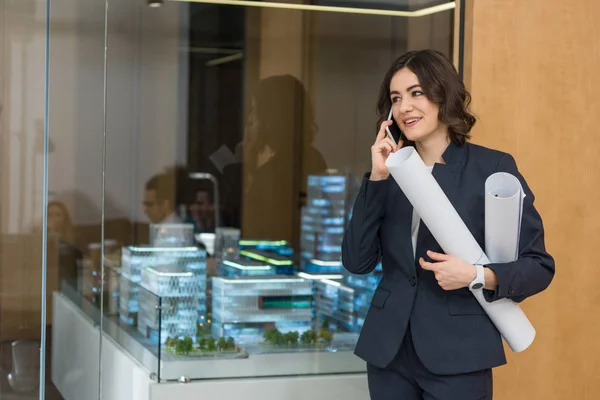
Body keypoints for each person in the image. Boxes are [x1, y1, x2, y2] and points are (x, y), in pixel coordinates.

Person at [341, 49, 555, 400]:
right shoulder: (389, 173)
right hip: (388, 352)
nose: (405, 107)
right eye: (396, 98)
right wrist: (377, 179)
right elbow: (356, 261)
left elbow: (538, 266)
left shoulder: (492, 167)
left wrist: (475, 275)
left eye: (416, 93)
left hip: (459, 352)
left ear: (443, 94)